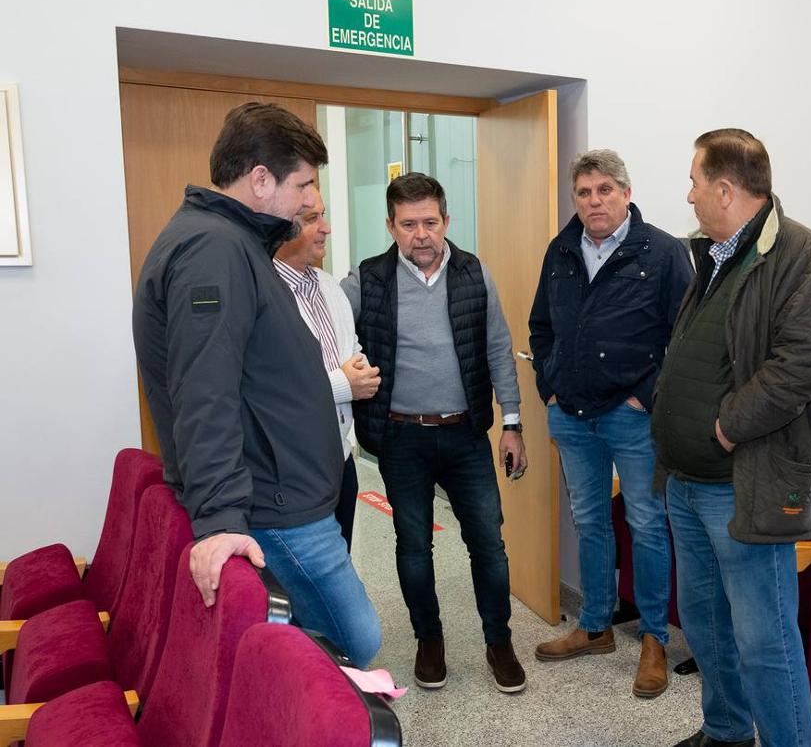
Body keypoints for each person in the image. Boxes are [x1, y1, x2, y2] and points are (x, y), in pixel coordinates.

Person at [133, 102, 382, 666]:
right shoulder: (214, 248)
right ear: (261, 179)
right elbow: (205, 390)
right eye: (304, 184)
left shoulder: (231, 242)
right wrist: (221, 521)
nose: (311, 200)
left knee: (304, 642)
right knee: (357, 636)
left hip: (285, 492)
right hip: (274, 500)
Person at [651, 129, 811, 747]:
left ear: (726, 189)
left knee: (766, 641)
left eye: (696, 182)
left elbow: (809, 360)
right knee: (704, 625)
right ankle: (726, 731)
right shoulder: (712, 254)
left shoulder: (798, 254)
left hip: (745, 483)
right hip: (687, 480)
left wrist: (729, 424)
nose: (690, 194)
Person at [341, 172, 528, 694]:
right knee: (414, 546)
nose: (420, 234)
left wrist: (511, 422)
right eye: (408, 224)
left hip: (465, 434)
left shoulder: (473, 274)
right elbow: (328, 334)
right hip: (402, 439)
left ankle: (499, 641)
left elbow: (498, 349)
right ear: (390, 225)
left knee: (488, 543)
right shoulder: (367, 280)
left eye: (429, 222)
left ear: (446, 220)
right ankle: (430, 640)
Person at [529, 149, 692, 698]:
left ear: (625, 192)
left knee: (647, 523)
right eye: (584, 192)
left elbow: (684, 339)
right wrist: (548, 388)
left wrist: (646, 397)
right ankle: (595, 625)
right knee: (590, 520)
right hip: (572, 415)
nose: (594, 201)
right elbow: (541, 325)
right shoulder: (562, 248)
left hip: (632, 418)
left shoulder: (664, 252)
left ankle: (652, 640)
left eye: (604, 190)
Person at [273, 187, 381, 551]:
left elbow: (352, 352)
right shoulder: (266, 295)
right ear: (280, 227)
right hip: (293, 472)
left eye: (324, 215)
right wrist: (343, 383)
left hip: (340, 461)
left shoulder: (329, 286)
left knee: (339, 562)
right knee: (298, 588)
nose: (326, 228)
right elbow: (274, 391)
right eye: (311, 219)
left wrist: (359, 370)